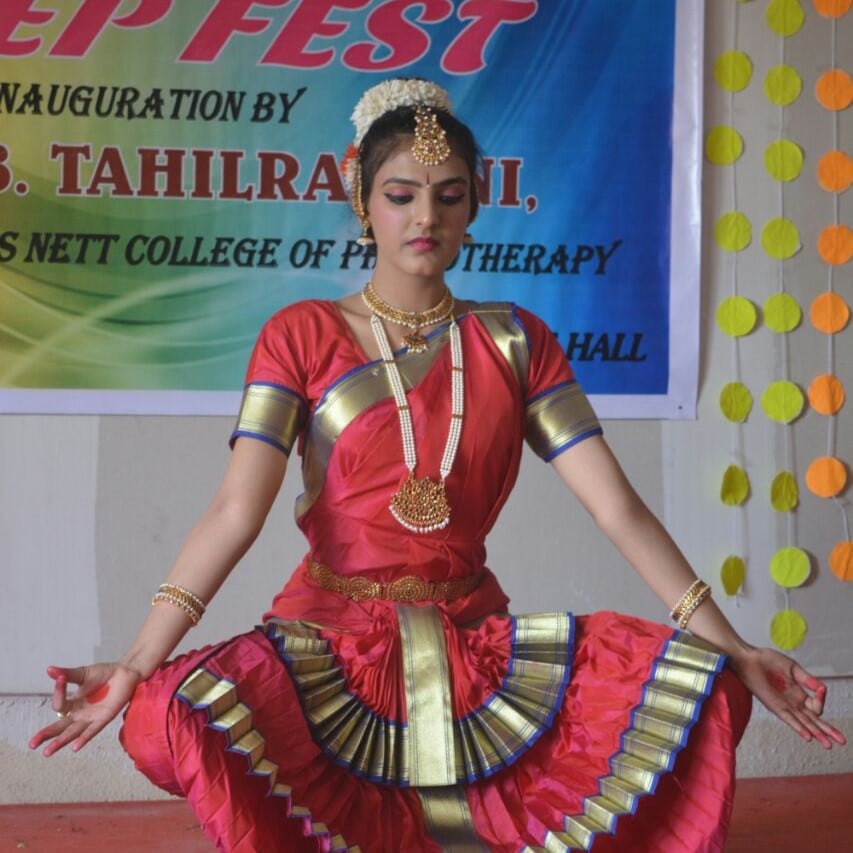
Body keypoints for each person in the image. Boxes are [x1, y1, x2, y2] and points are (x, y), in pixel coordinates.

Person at [31, 78, 844, 852]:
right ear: (362, 201)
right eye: (401, 193)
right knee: (159, 717)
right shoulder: (302, 333)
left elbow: (616, 508)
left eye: (449, 194)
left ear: (474, 206)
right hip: (329, 641)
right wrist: (136, 661)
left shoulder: (515, 340)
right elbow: (234, 511)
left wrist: (734, 645)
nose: (426, 214)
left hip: (473, 644)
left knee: (710, 692)